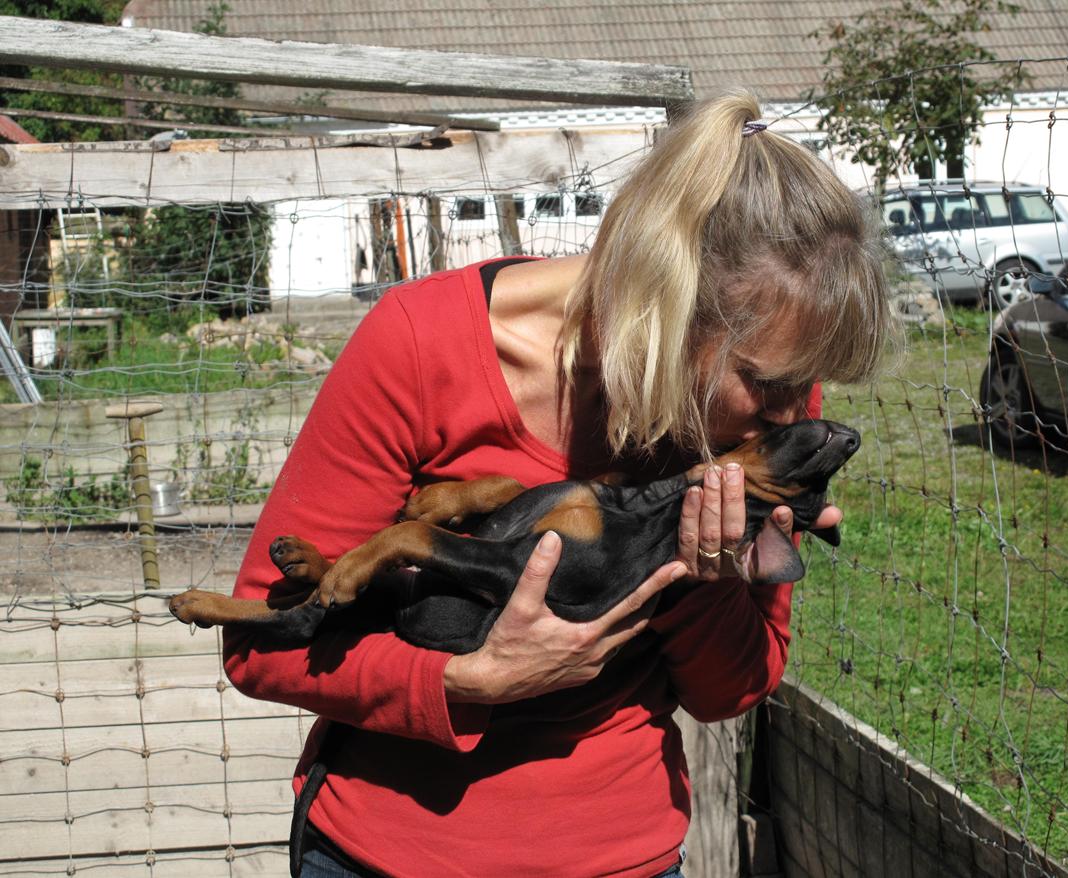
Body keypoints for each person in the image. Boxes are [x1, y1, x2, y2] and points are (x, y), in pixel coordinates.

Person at [222, 90, 897, 878]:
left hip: (620, 857)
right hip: (390, 858)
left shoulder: (760, 411)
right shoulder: (420, 344)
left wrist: (707, 581)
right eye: (768, 383)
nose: (792, 413)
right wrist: (471, 680)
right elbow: (257, 647)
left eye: (804, 385)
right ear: (670, 299)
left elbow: (729, 691)